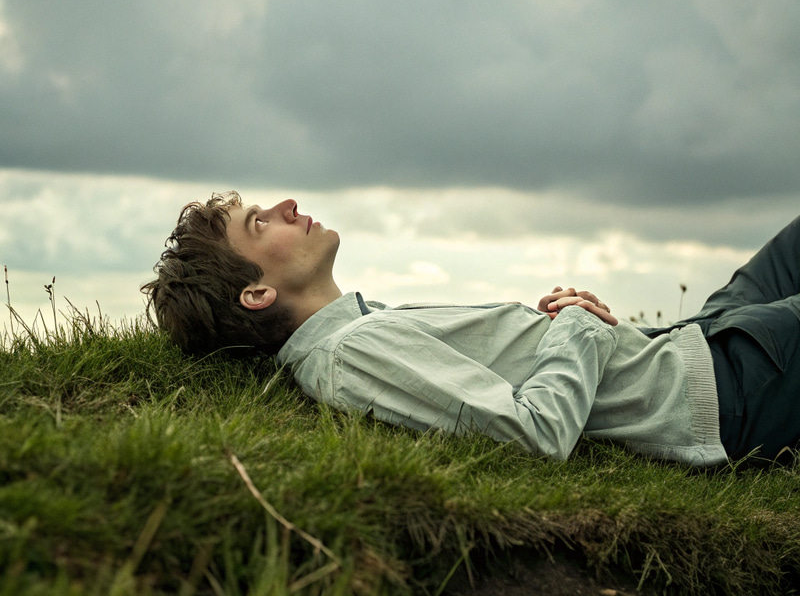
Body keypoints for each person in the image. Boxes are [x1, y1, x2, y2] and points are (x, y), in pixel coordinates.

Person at [143, 192, 800, 466]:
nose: (286, 206)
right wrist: (576, 325)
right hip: (723, 387)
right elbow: (534, 434)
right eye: (262, 223)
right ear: (257, 292)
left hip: (697, 337)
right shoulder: (352, 355)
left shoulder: (359, 331)